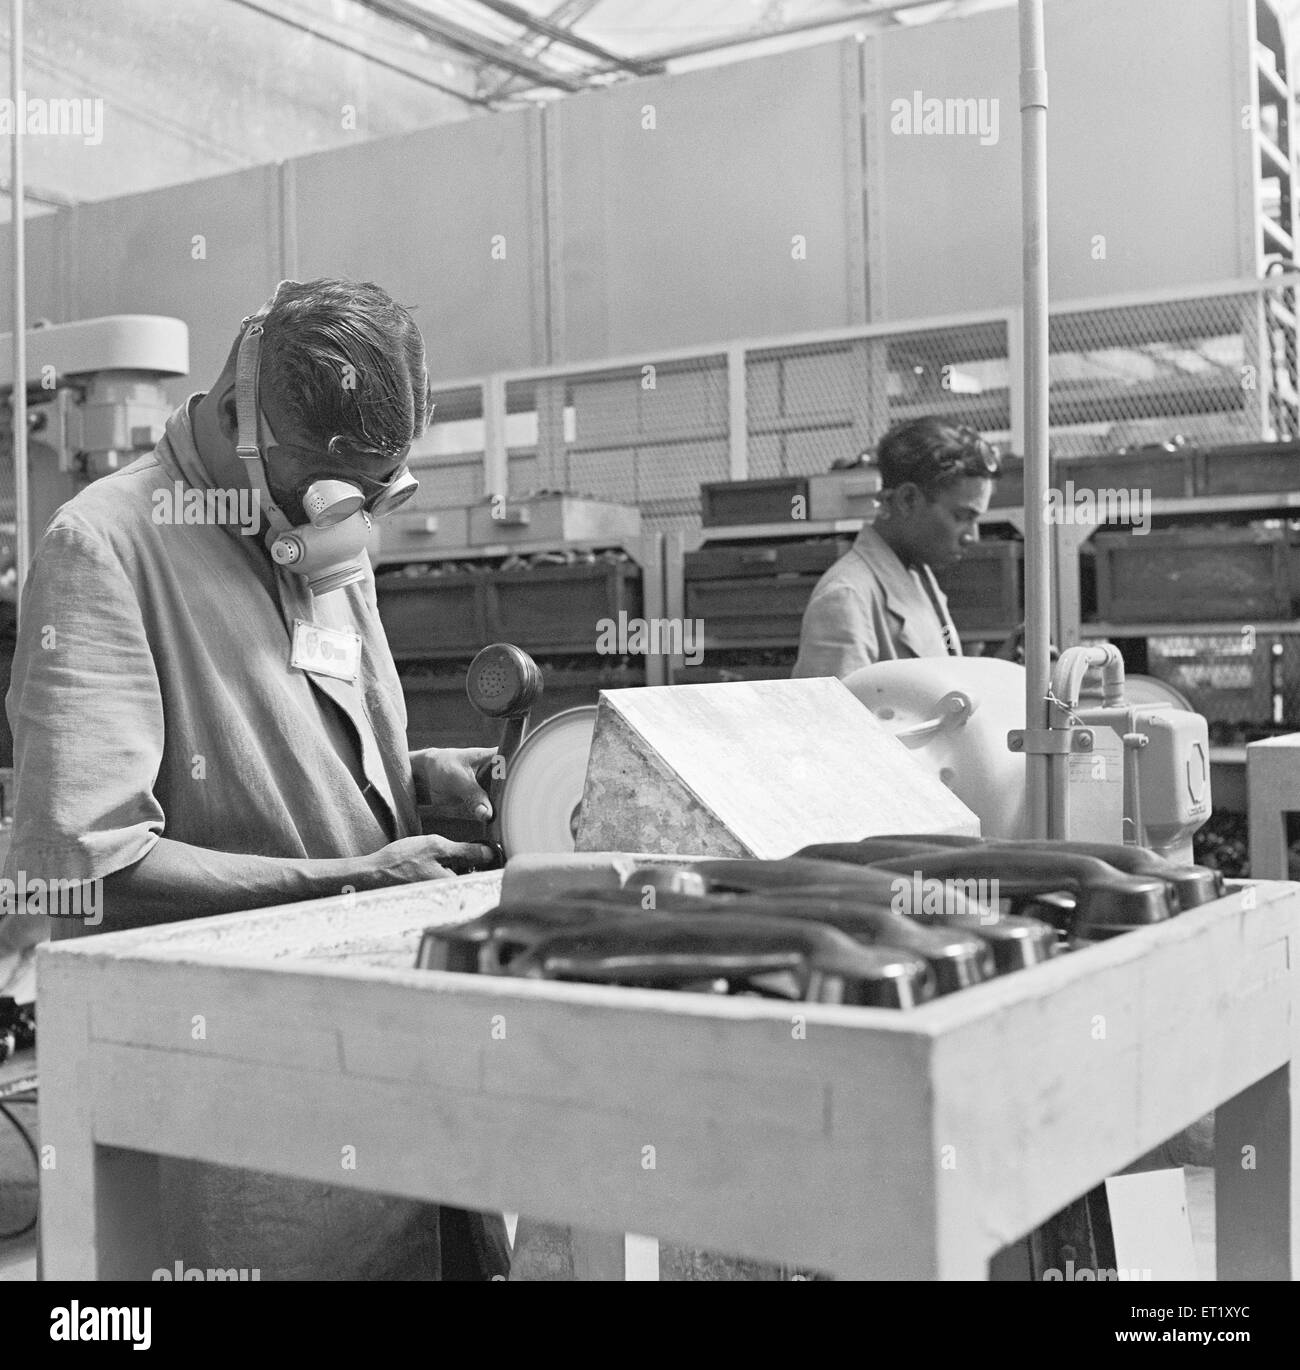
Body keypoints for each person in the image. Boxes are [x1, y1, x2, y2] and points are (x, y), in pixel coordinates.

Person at [2, 278, 505, 1279]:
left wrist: (414, 774)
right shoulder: (104, 547)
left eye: (375, 491)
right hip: (238, 1088)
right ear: (241, 408)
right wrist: (355, 879)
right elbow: (85, 862)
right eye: (322, 484)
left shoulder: (322, 527)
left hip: (391, 1038)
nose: (346, 514)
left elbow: (300, 735)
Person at [792, 418, 1001, 678]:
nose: (973, 536)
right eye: (961, 517)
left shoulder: (918, 576)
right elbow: (833, 717)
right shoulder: (846, 597)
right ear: (907, 499)